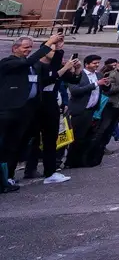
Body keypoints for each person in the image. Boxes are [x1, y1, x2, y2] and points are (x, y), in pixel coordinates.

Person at [0, 33, 64, 192]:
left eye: (30, 47)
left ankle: (7, 178)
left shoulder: (33, 66)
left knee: (17, 144)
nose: (29, 50)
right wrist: (48, 43)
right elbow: (29, 60)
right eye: (25, 47)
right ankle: (7, 176)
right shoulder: (8, 62)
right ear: (15, 48)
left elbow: (52, 73)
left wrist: (58, 51)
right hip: (10, 110)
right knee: (6, 145)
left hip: (28, 109)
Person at [22, 41, 77, 184]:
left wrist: (76, 69)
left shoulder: (56, 65)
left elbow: (72, 80)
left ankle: (50, 171)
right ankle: (23, 170)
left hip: (52, 105)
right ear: (45, 51)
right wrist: (64, 68)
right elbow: (44, 81)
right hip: (35, 106)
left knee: (50, 140)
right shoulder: (36, 66)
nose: (57, 53)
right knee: (30, 139)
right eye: (54, 50)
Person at [89, 60, 119, 166]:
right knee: (104, 128)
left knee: (111, 128)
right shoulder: (113, 74)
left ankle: (102, 148)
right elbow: (109, 90)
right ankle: (95, 149)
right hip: (111, 105)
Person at [65, 55, 110, 168]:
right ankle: (70, 162)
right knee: (75, 137)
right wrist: (95, 84)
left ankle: (82, 160)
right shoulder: (79, 74)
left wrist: (106, 85)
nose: (97, 65)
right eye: (94, 63)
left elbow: (103, 89)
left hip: (92, 110)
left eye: (98, 63)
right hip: (79, 110)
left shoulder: (98, 75)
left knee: (86, 137)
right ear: (87, 64)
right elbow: (75, 91)